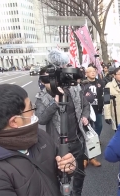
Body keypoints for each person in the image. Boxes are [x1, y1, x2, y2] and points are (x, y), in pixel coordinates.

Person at [0, 84, 76, 195]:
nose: (34, 111)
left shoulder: (40, 136)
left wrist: (68, 166)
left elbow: (59, 166)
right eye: (30, 108)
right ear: (14, 121)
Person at [36, 65, 90, 196]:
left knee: (79, 173)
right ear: (43, 82)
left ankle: (76, 193)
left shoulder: (73, 90)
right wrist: (54, 103)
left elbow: (86, 105)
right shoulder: (41, 97)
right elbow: (41, 119)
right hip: (57, 144)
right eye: (48, 80)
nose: (52, 82)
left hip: (77, 139)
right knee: (62, 175)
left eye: (54, 78)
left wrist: (85, 116)